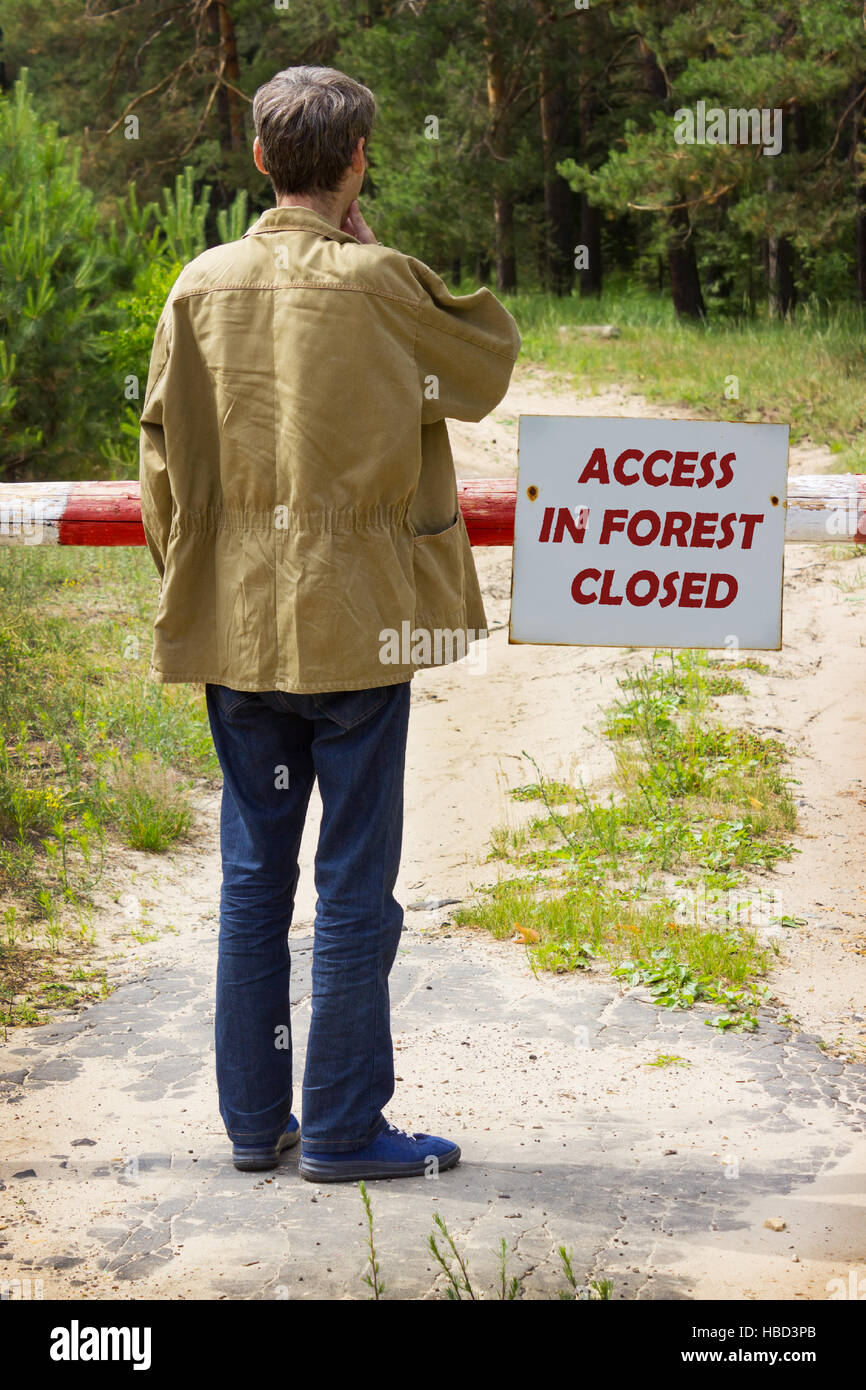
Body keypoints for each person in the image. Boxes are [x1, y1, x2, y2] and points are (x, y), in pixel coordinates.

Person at [139, 65, 520, 1182]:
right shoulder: (383, 280)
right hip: (365, 634)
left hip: (242, 633)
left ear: (259, 158)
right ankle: (344, 1130)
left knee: (255, 876)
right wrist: (371, 249)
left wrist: (199, 582)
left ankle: (256, 1129)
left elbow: (158, 466)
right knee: (353, 880)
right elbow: (484, 370)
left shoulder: (196, 287)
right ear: (355, 162)